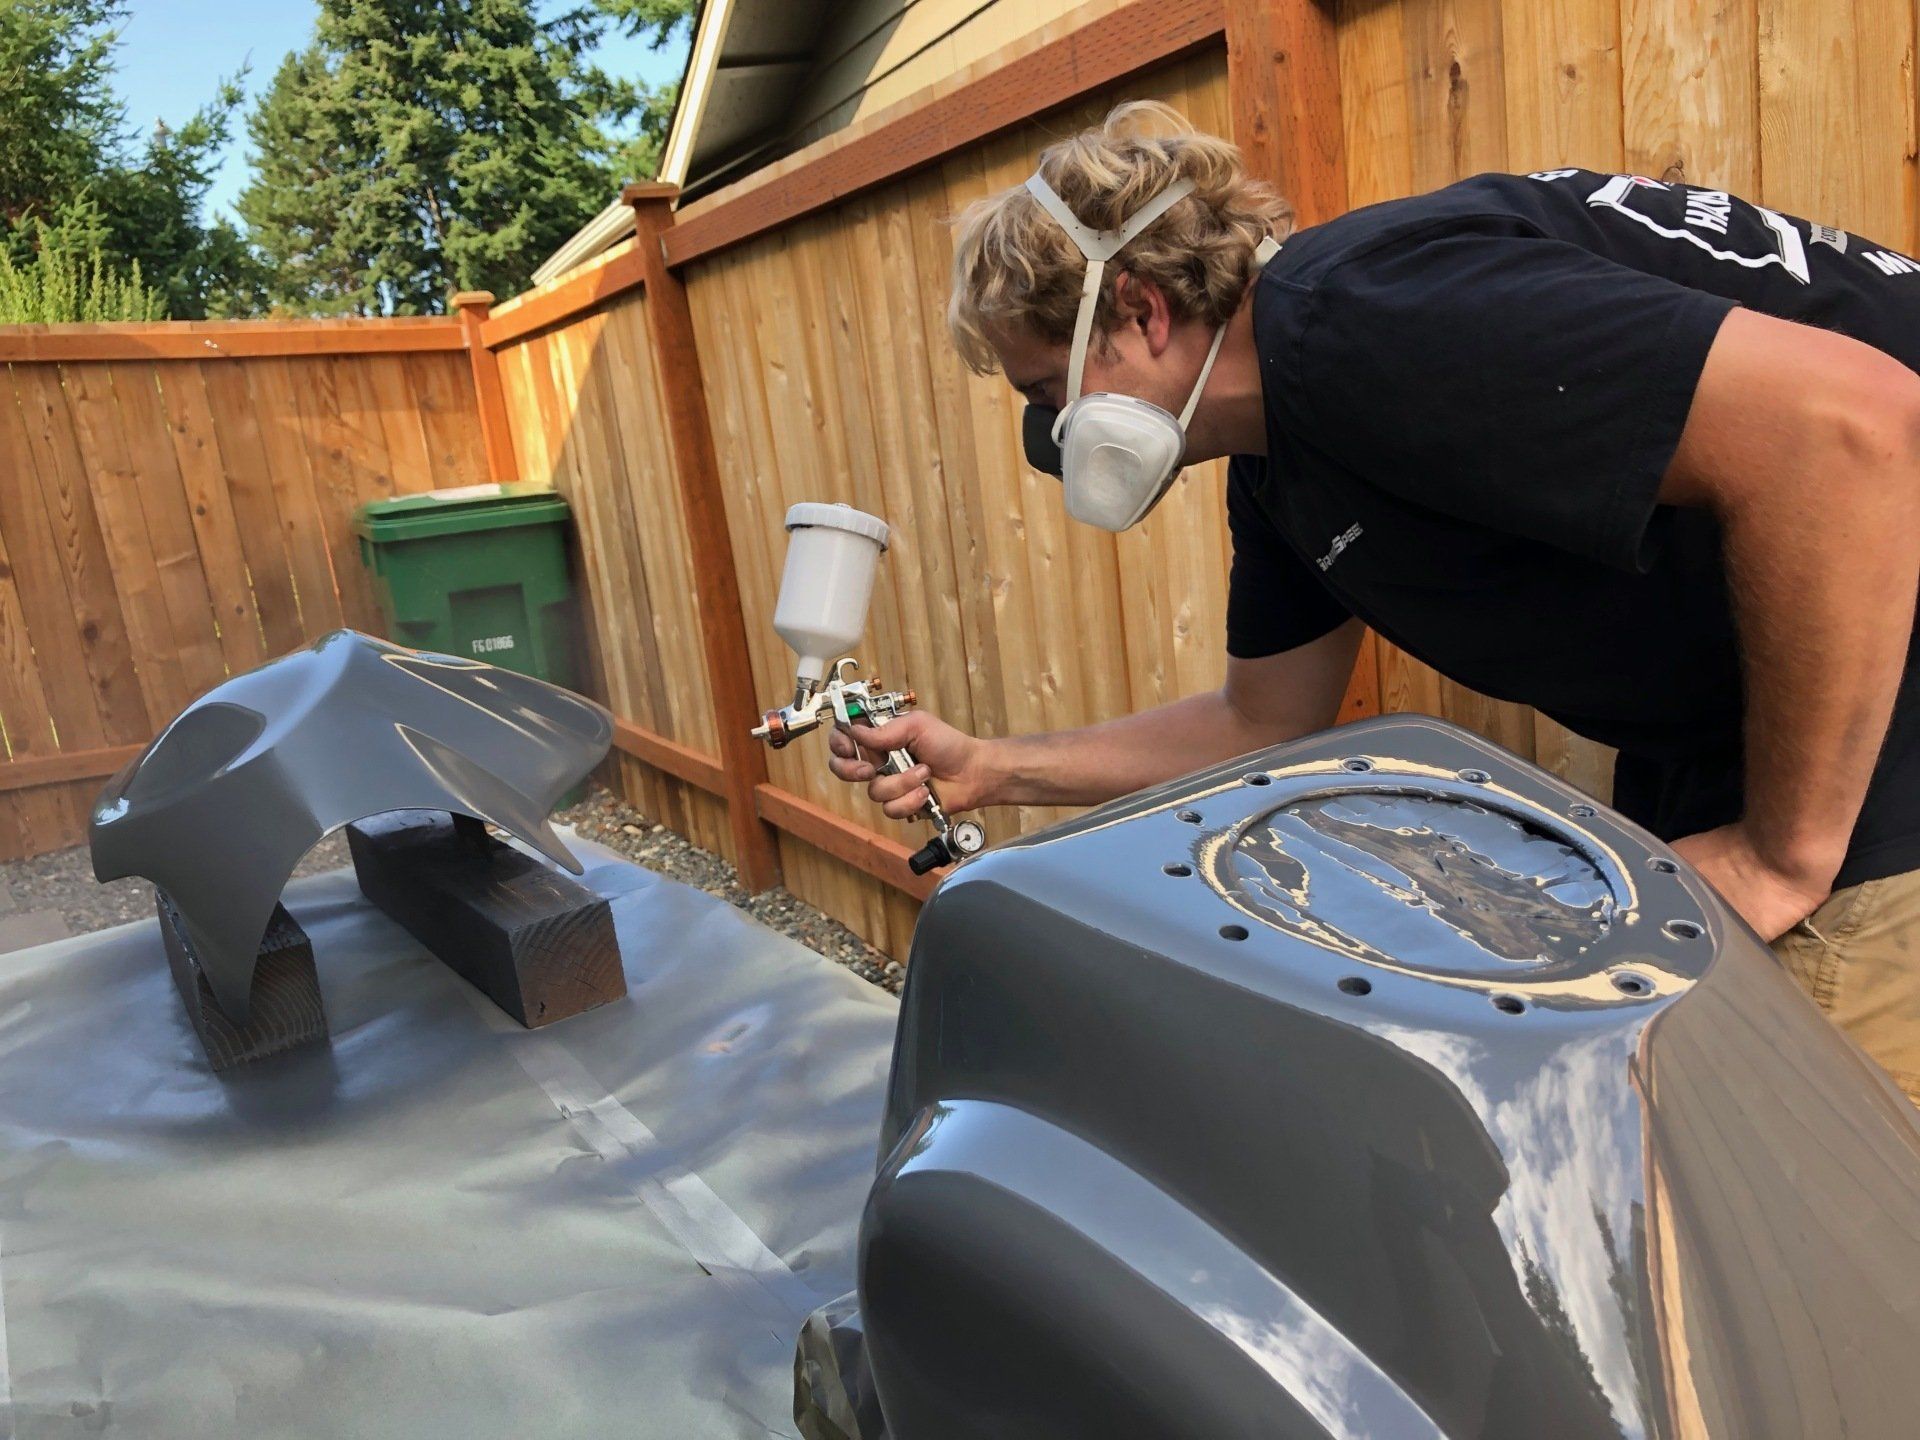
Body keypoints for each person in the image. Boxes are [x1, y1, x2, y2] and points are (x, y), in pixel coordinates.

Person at [825, 102, 1920, 1103]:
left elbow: (1849, 433)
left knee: (1813, 1216)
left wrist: (1785, 853)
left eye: (1048, 396)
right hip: (1746, 732)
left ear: (1141, 309)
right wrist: (995, 768)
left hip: (1877, 695)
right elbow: (1260, 722)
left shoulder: (1362, 317)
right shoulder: (1285, 454)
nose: (1056, 440)